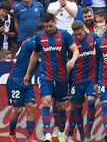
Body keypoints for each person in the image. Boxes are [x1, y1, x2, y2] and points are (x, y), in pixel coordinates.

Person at [23, 13, 79, 142]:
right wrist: (28, 73)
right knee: (46, 101)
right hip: (45, 75)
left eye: (50, 25)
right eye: (46, 26)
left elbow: (75, 50)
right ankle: (47, 134)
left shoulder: (64, 34)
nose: (48, 29)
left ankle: (60, 132)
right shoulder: (39, 37)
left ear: (54, 22)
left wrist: (73, 60)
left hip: (62, 75)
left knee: (61, 106)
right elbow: (35, 55)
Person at [6, 24, 44, 142]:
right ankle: (11, 133)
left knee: (31, 107)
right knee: (18, 109)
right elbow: (45, 54)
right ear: (37, 34)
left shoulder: (33, 42)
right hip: (15, 80)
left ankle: (30, 137)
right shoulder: (32, 43)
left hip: (27, 81)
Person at [67, 20, 98, 141]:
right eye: (76, 35)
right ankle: (81, 134)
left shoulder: (94, 38)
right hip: (77, 79)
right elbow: (68, 62)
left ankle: (88, 130)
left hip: (91, 78)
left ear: (84, 29)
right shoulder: (71, 43)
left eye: (80, 34)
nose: (78, 37)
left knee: (91, 102)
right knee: (76, 107)